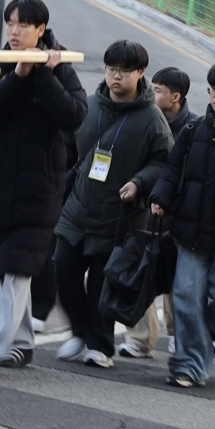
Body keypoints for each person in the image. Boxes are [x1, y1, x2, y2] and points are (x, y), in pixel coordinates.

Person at [0, 0, 88, 374]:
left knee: (19, 265)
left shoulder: (61, 65)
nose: (14, 32)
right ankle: (20, 344)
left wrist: (42, 76)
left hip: (41, 186)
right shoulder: (1, 61)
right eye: (10, 24)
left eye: (22, 25)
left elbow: (73, 115)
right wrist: (17, 77)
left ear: (41, 29)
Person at [54, 40, 172, 368]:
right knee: (63, 267)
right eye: (110, 69)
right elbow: (66, 148)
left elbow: (166, 161)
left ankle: (100, 346)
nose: (115, 77)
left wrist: (140, 182)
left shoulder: (152, 118)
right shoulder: (88, 106)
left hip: (119, 214)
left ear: (140, 73)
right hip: (78, 206)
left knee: (102, 283)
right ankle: (79, 331)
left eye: (123, 71)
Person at [151, 59, 215, 387]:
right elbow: (173, 170)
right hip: (191, 232)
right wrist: (161, 196)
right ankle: (190, 366)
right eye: (213, 89)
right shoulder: (194, 130)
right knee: (185, 296)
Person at [119, 66, 197, 358]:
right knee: (140, 271)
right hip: (140, 209)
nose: (152, 93)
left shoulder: (192, 129)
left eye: (159, 90)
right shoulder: (141, 119)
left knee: (176, 277)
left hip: (176, 215)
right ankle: (140, 339)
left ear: (176, 97)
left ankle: (179, 334)